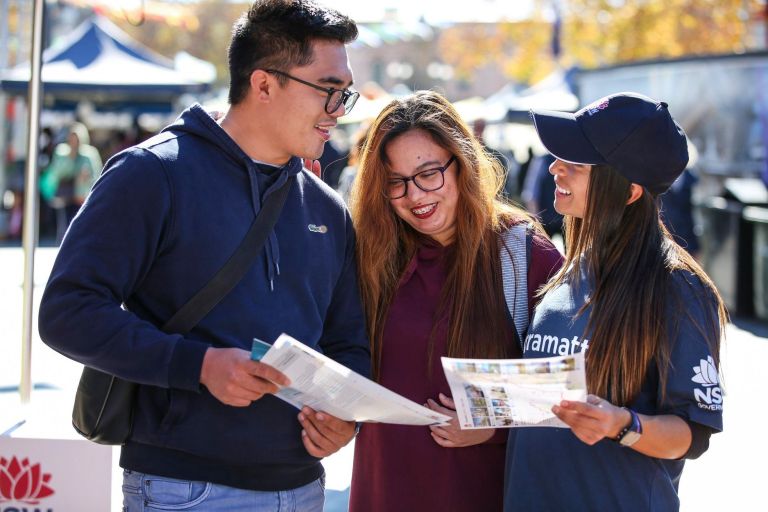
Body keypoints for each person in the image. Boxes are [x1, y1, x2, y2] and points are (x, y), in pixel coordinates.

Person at [38, 1, 369, 511]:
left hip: (304, 488)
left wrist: (344, 416)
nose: (338, 109)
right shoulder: (152, 173)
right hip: (184, 490)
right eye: (328, 90)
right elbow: (67, 311)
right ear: (263, 85)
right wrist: (198, 365)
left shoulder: (328, 206)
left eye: (343, 94)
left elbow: (349, 342)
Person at [504, 92, 727, 511]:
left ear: (628, 192)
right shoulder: (567, 271)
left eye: (576, 162)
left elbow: (693, 435)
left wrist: (622, 424)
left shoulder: (678, 288)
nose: (555, 167)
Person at [347, 91, 563, 512]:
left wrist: (490, 424)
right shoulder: (371, 256)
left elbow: (576, 383)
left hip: (480, 490)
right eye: (396, 182)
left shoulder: (522, 252)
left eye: (429, 173)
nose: (415, 196)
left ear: (462, 162)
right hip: (383, 489)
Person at [40, 122, 102, 241]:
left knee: (82, 223)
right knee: (66, 224)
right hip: (66, 195)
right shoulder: (62, 153)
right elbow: (55, 172)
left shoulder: (89, 154)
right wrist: (70, 158)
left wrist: (86, 177)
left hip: (82, 196)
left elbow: (96, 174)